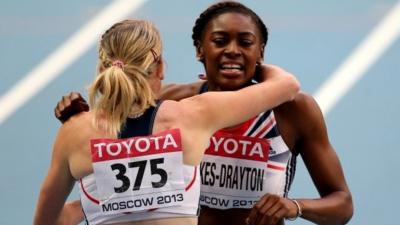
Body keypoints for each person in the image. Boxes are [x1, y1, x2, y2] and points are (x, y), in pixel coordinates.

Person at [54, 1, 353, 225]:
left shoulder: (292, 111)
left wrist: (295, 206)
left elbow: (342, 204)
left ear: (261, 52)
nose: (233, 50)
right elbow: (121, 164)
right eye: (220, 41)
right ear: (199, 50)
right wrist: (85, 119)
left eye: (246, 43)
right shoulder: (174, 105)